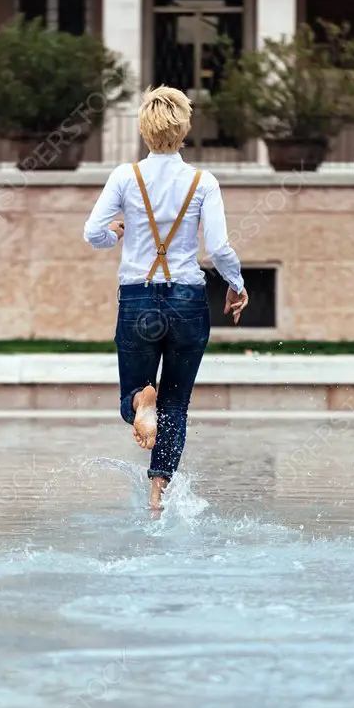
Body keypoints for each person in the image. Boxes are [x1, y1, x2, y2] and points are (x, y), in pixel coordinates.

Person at [83, 85, 249, 511]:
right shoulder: (202, 181)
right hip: (188, 301)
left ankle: (140, 402)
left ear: (144, 130)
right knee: (176, 404)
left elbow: (91, 233)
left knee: (134, 392)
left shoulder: (125, 176)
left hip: (138, 298)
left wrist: (114, 234)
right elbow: (219, 246)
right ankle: (158, 496)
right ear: (184, 128)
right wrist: (237, 283)